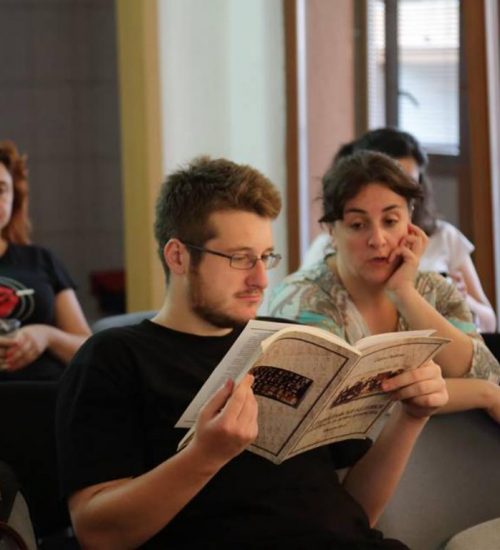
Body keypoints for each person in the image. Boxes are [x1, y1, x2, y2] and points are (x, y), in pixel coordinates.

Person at [56, 156, 448, 549]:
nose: (261, 279)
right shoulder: (115, 357)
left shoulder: (293, 343)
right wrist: (205, 455)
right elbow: (97, 533)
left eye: (265, 257)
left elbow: (358, 513)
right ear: (178, 256)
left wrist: (410, 417)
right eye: (240, 259)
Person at [269, 151, 500, 423]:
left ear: (409, 221)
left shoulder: (434, 288)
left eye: (390, 221)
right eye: (358, 225)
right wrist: (483, 394)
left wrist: (405, 294)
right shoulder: (302, 298)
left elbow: (487, 373)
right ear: (331, 230)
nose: (378, 240)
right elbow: (345, 406)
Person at [301, 128, 496, 332]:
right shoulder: (327, 250)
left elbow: (489, 322)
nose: (378, 240)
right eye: (358, 225)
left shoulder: (445, 236)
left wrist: (461, 299)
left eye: (407, 180)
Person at [0, 140, 91, 381]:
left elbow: (89, 351)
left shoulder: (41, 260)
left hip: (50, 396)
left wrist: (47, 336)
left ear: (14, 198)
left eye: (1, 189)